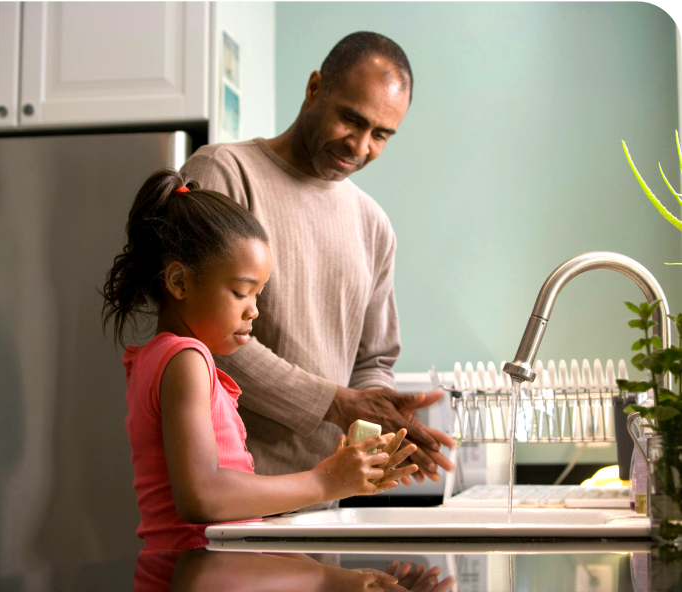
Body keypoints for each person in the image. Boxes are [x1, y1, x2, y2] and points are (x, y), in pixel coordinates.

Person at [180, 31, 454, 488]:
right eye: (351, 119)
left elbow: (373, 359)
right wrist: (337, 403)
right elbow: (201, 334)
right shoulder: (224, 173)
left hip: (322, 497)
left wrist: (378, 410)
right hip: (227, 495)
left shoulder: (373, 224)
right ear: (314, 89)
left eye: (381, 134)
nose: (360, 146)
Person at [101, 168, 418, 550]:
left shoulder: (162, 357)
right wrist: (324, 481)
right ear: (179, 282)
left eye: (258, 295)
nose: (254, 311)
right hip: (191, 576)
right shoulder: (186, 360)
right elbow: (203, 495)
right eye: (241, 292)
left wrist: (335, 478)